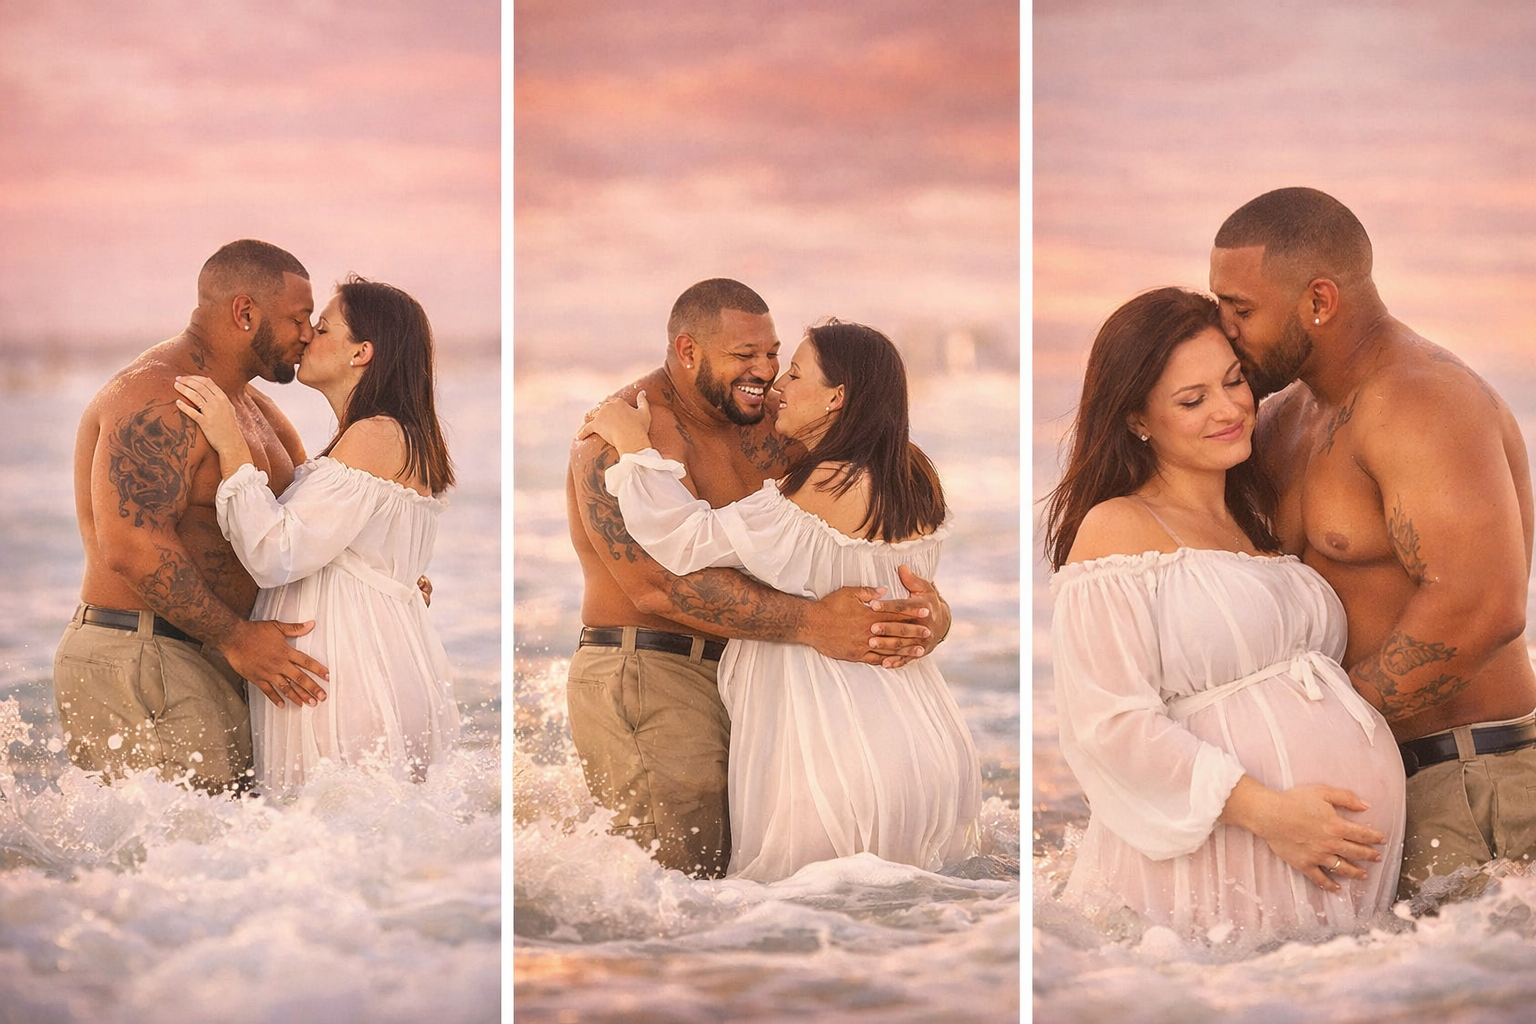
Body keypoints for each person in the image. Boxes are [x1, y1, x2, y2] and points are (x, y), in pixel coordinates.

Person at [1043, 286, 1404, 942]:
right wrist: (1268, 812)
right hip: (1214, 864)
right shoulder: (1118, 527)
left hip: (1322, 878)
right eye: (1192, 399)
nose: (1230, 408)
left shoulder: (1258, 519)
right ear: (1137, 421)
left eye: (1234, 381)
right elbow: (1110, 725)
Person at [1210, 186, 1536, 903]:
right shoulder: (1281, 418)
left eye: (1241, 310)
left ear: (1319, 301)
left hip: (1466, 783)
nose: (1224, 330)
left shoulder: (1423, 401)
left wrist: (1321, 735)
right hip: (1363, 789)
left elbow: (1482, 605)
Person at [564, 278, 953, 878]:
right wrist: (812, 623)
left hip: (771, 679)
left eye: (776, 356)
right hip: (655, 670)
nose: (768, 373)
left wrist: (929, 617)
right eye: (746, 356)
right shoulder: (619, 435)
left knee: (759, 896)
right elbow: (658, 584)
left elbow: (865, 544)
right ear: (689, 350)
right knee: (680, 889)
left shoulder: (782, 427)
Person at [54, 240, 332, 794]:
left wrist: (384, 572)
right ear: (244, 312)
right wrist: (237, 637)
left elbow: (304, 522)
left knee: (233, 864)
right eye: (298, 318)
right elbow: (131, 545)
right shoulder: (156, 397)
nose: (308, 333)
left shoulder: (254, 408)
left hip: (211, 657)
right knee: (179, 864)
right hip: (143, 656)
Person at [172, 275, 459, 791]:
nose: (306, 336)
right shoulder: (392, 434)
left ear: (361, 353)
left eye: (323, 328)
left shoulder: (373, 435)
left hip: (345, 678)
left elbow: (275, 553)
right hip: (368, 663)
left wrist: (231, 445)